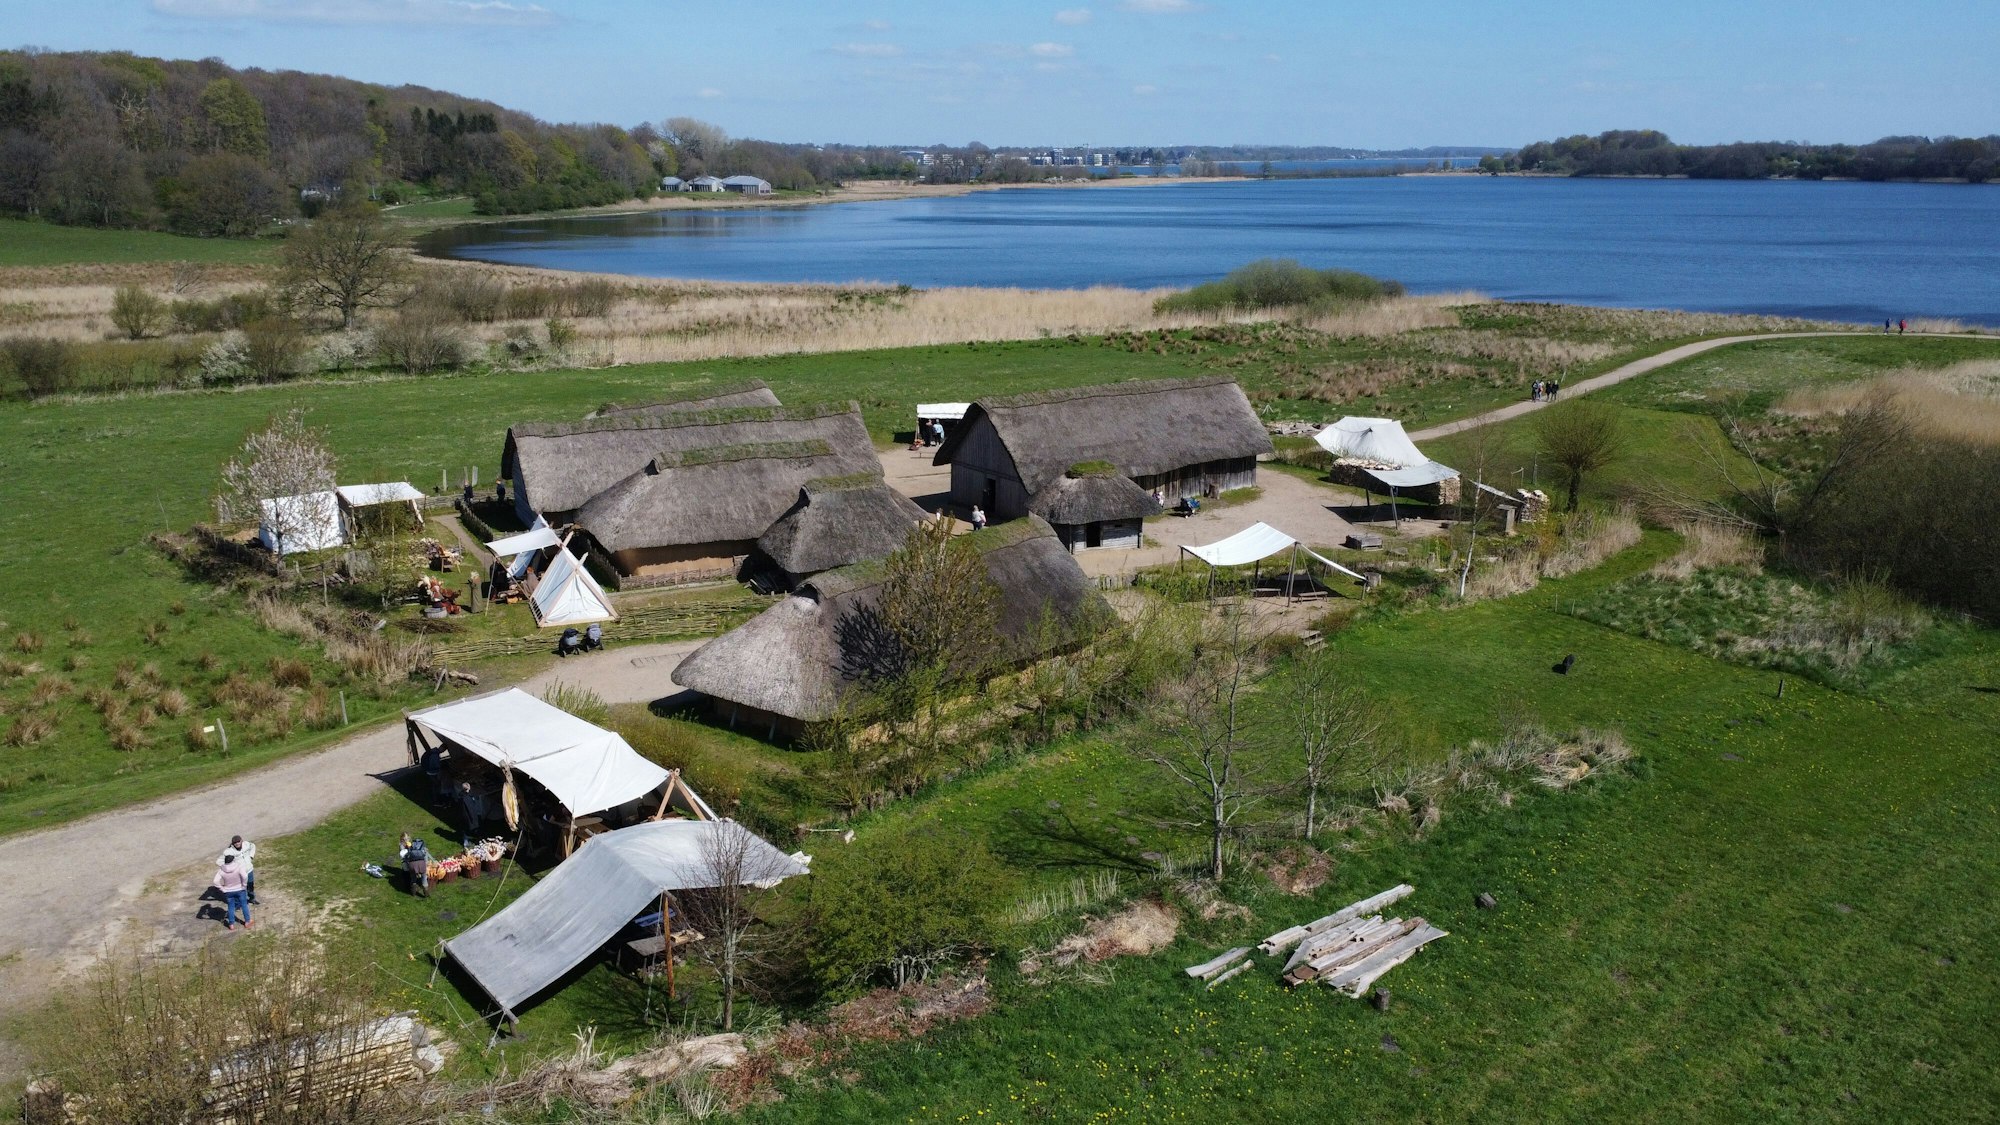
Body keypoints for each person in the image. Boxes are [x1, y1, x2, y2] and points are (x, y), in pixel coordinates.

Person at [213, 853, 251, 930]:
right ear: (233, 860)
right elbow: (245, 876)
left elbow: (215, 881)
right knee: (244, 905)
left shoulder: (222, 869)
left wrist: (222, 888)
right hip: (240, 889)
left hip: (228, 891)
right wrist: (244, 885)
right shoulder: (238, 867)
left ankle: (231, 924)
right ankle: (247, 921)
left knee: (231, 907)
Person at [219, 835, 258, 905]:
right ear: (233, 844)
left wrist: (251, 856)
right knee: (239, 889)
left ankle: (252, 898)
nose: (237, 844)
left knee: (250, 886)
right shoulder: (229, 851)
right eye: (235, 843)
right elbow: (219, 861)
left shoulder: (246, 844)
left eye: (238, 841)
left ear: (241, 841)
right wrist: (229, 868)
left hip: (249, 870)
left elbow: (253, 846)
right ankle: (238, 904)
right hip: (240, 873)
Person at [399, 832, 430, 898]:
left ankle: (413, 892)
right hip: (422, 864)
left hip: (412, 865)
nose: (406, 840)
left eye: (407, 838)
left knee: (413, 879)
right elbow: (425, 855)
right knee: (424, 879)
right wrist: (426, 862)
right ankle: (426, 894)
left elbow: (404, 857)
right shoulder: (416, 845)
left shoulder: (407, 846)